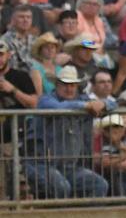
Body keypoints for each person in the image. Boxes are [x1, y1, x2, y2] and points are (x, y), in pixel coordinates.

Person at [24, 64, 110, 199]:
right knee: (62, 187)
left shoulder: (82, 100)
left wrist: (103, 104)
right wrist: (86, 106)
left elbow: (114, 104)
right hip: (39, 164)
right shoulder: (45, 100)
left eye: (73, 85)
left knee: (100, 184)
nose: (69, 88)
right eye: (65, 84)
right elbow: (57, 108)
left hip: (69, 167)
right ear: (57, 85)